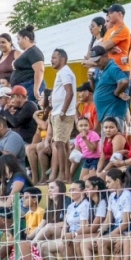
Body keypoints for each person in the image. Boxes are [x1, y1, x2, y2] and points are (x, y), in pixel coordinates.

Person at [50, 48, 77, 183]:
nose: (51, 60)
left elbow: (69, 92)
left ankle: (63, 176)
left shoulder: (65, 72)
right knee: (63, 144)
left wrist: (63, 111)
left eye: (54, 58)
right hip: (59, 112)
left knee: (59, 144)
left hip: (62, 114)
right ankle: (66, 175)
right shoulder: (63, 72)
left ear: (62, 59)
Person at [88, 45, 130, 122]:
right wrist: (91, 79)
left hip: (113, 113)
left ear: (105, 56)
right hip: (104, 114)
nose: (96, 63)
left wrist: (117, 93)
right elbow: (95, 89)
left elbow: (124, 81)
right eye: (94, 61)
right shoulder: (99, 69)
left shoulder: (112, 68)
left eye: (98, 60)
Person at [10, 25, 47, 106]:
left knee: (29, 109)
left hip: (30, 85)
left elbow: (40, 70)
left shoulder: (33, 51)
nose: (17, 42)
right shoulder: (28, 52)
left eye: (19, 39)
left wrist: (36, 89)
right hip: (24, 86)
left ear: (25, 38)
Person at [95, 4, 131, 76]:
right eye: (108, 13)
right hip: (111, 68)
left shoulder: (123, 29)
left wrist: (105, 48)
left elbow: (102, 46)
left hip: (120, 69)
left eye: (111, 13)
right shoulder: (110, 30)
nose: (109, 15)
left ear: (120, 14)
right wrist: (108, 49)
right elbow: (99, 48)